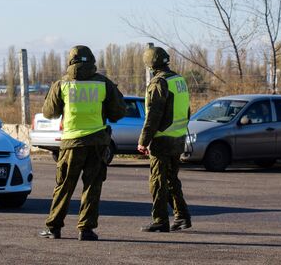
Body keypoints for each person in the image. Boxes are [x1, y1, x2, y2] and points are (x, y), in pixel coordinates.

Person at [38, 45, 126, 241]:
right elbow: (119, 112)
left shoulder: (61, 84)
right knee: (92, 186)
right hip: (97, 143)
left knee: (64, 187)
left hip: (71, 144)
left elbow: (48, 112)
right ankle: (86, 229)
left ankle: (54, 228)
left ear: (70, 62)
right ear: (92, 60)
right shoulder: (104, 83)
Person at [137, 46, 191, 232]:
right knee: (171, 179)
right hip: (178, 137)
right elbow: (187, 110)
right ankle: (182, 217)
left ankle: (160, 220)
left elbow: (153, 116)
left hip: (162, 139)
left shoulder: (158, 83)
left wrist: (143, 140)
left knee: (158, 181)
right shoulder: (179, 80)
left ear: (150, 65)